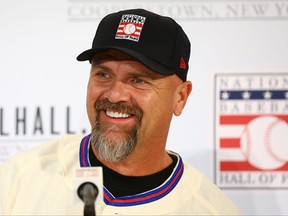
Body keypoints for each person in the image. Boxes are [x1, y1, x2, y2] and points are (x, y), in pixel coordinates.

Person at [0, 8, 241, 215]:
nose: (114, 95)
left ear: (180, 97)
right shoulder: (17, 181)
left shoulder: (212, 209)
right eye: (103, 75)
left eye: (138, 80)